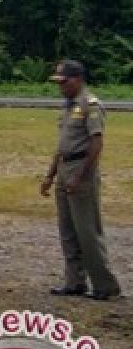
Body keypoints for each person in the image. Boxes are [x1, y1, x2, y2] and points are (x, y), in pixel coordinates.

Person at [41, 60, 121, 301]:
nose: (61, 87)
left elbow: (96, 144)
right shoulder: (67, 107)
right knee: (67, 230)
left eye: (64, 82)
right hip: (65, 168)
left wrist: (80, 176)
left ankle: (105, 285)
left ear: (77, 79)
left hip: (81, 170)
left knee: (86, 230)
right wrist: (50, 175)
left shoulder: (90, 105)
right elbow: (62, 146)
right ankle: (75, 281)